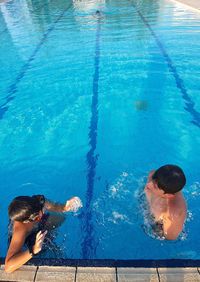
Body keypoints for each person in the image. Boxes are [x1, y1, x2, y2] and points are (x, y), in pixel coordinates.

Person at [5, 195, 82, 273]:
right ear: (26, 221)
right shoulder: (20, 231)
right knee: (50, 251)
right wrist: (34, 249)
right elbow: (8, 267)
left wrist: (66, 207)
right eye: (37, 218)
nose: (42, 213)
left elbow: (59, 208)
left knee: (62, 218)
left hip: (38, 225)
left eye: (41, 210)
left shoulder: (39, 201)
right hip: (28, 240)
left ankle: (45, 235)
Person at [144, 164, 186, 240]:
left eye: (155, 186)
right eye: (153, 179)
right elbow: (152, 172)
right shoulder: (156, 176)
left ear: (168, 195)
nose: (148, 184)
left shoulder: (173, 214)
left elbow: (169, 238)